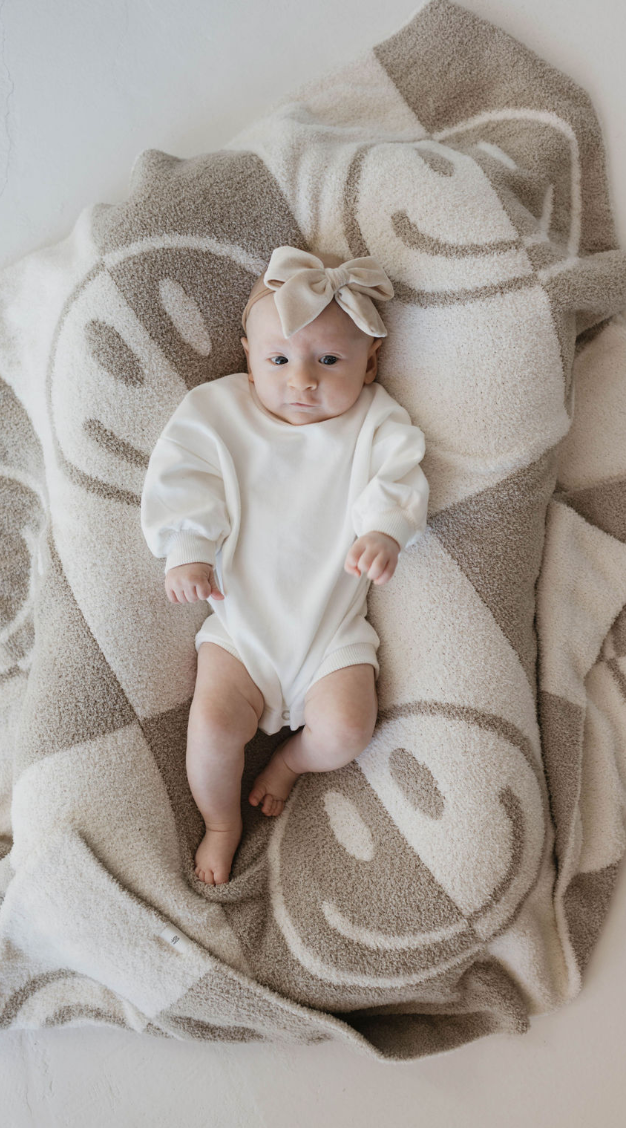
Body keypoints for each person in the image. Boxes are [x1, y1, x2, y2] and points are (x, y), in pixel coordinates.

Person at [140, 245, 430, 885]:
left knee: (349, 729)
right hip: (240, 633)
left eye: (329, 361)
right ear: (248, 356)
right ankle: (221, 823)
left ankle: (290, 762)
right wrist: (189, 548)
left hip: (331, 636)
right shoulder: (218, 411)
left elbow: (399, 471)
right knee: (212, 728)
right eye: (279, 360)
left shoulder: (374, 419)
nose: (302, 381)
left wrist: (386, 529)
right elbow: (185, 473)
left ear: (369, 362)